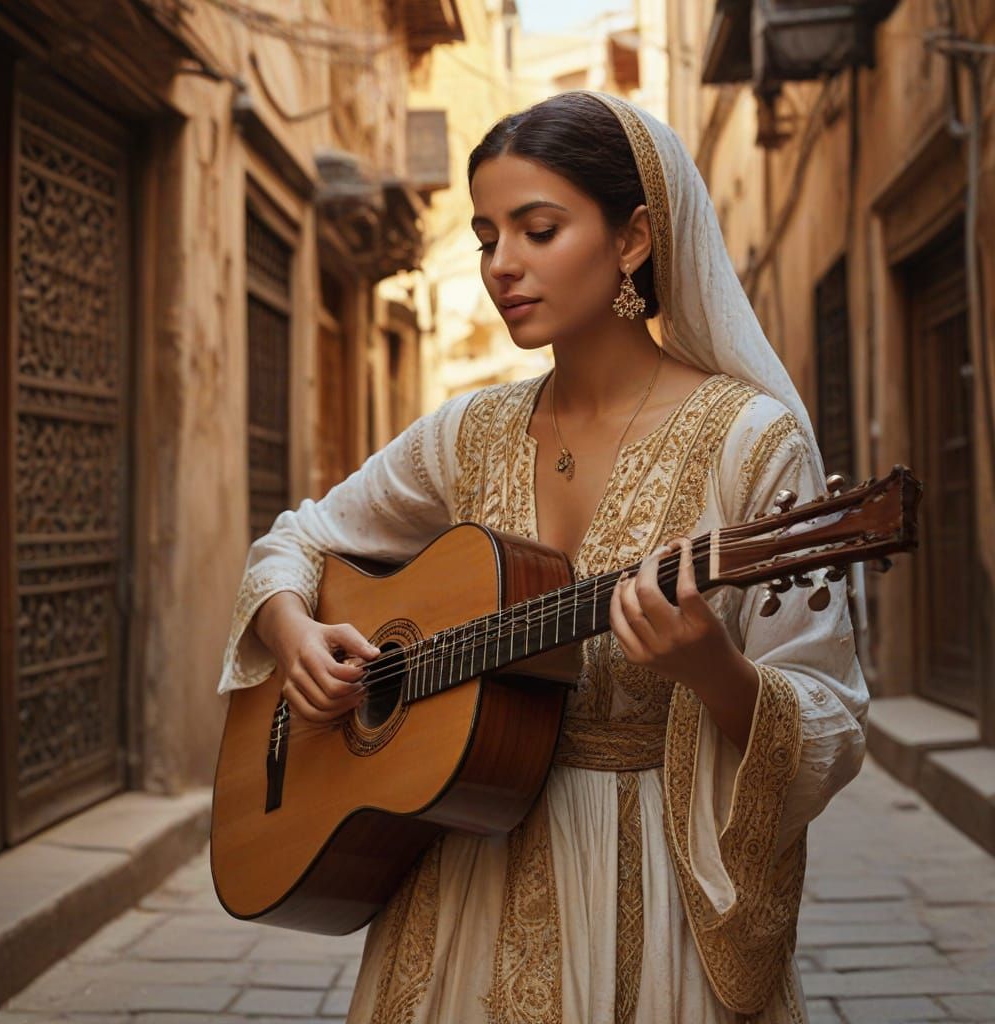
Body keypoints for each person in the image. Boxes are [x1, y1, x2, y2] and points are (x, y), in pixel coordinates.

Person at [217, 90, 868, 1023]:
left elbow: (828, 714)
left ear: (633, 237)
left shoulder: (751, 442)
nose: (502, 266)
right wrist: (293, 634)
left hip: (641, 884)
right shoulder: (468, 433)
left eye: (539, 228)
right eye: (487, 237)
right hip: (452, 887)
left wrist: (713, 669)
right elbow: (302, 535)